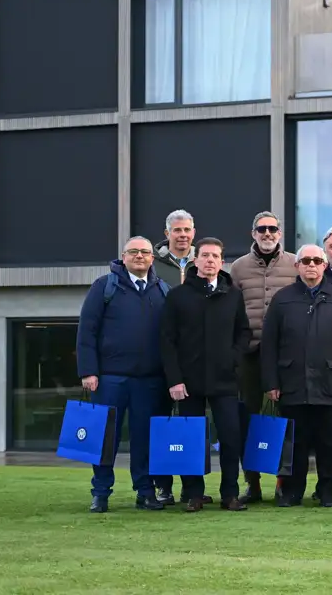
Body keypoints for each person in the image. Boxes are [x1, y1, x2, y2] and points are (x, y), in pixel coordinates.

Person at [261, 244, 332, 507]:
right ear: (297, 266)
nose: (311, 265)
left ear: (324, 265)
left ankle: (327, 491)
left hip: (331, 383)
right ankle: (292, 492)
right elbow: (269, 344)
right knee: (295, 442)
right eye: (305, 260)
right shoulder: (282, 298)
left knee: (329, 443)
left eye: (316, 261)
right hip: (292, 383)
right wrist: (271, 382)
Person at [76, 236, 170, 513]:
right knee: (105, 439)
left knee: (145, 440)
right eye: (134, 252)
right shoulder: (104, 286)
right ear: (123, 256)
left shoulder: (162, 289)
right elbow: (87, 331)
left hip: (149, 381)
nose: (140, 256)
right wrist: (88, 371)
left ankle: (145, 492)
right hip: (110, 379)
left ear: (152, 258)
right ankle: (100, 493)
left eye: (145, 252)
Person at [160, 237, 252, 513]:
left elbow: (243, 332)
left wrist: (233, 359)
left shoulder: (233, 295)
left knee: (231, 438)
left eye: (215, 256)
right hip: (188, 382)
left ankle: (230, 494)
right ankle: (194, 494)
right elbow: (167, 341)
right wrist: (175, 380)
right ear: (195, 260)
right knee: (191, 439)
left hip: (224, 380)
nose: (210, 260)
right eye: (205, 255)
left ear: (222, 262)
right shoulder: (178, 296)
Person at [228, 211, 298, 504]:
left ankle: (284, 483)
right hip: (250, 355)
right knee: (249, 420)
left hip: (287, 355)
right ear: (253, 233)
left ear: (280, 233)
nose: (267, 233)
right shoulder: (238, 267)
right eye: (262, 229)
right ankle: (252, 483)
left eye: (272, 228)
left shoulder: (295, 263)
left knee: (288, 420)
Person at [150, 209, 197, 505]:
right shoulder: (152, 264)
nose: (182, 235)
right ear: (167, 233)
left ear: (194, 233)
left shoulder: (203, 262)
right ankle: (163, 486)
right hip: (159, 358)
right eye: (177, 230)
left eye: (187, 230)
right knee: (162, 424)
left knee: (191, 425)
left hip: (194, 359)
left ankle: (191, 487)